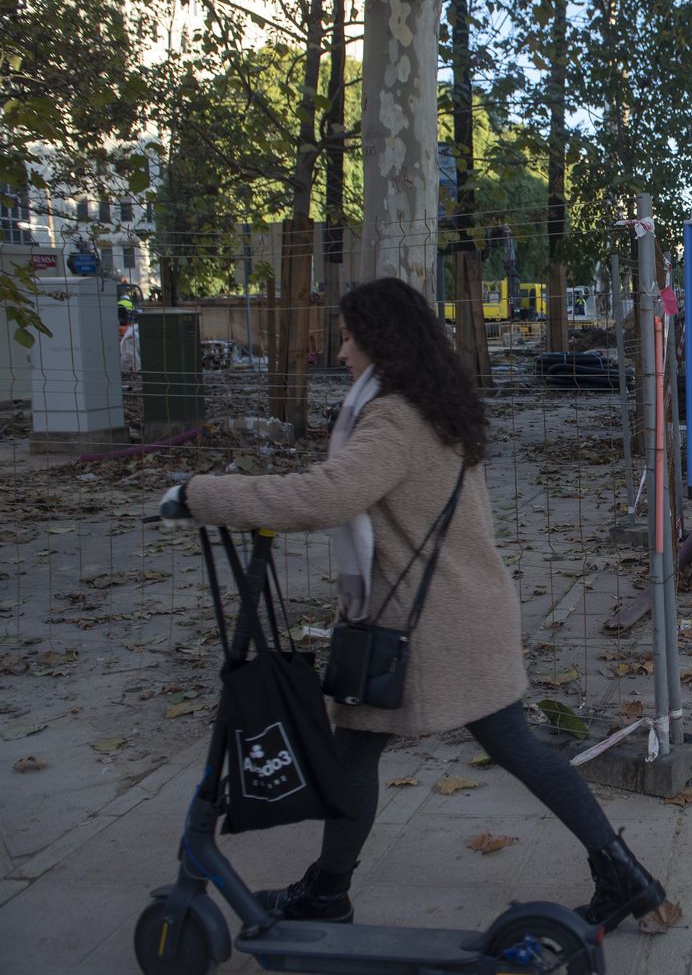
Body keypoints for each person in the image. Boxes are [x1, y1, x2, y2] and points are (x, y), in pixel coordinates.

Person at [161, 277, 664, 929]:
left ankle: (328, 894)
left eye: (349, 338)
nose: (340, 352)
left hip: (426, 630)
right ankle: (624, 876)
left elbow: (323, 497)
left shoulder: (393, 419)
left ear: (381, 341)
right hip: (466, 611)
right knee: (415, 747)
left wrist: (198, 495)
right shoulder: (438, 405)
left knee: (395, 749)